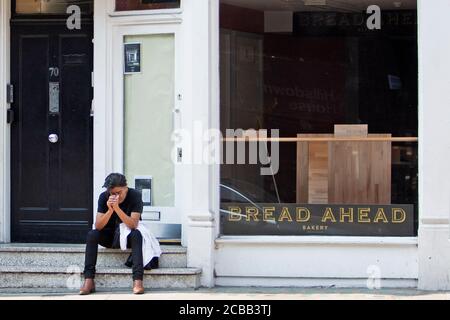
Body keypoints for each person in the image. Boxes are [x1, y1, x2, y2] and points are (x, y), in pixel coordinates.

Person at [79, 173, 145, 295]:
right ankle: (89, 280)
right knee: (92, 234)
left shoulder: (135, 196)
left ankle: (138, 280)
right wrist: (110, 210)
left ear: (126, 187)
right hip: (109, 236)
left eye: (118, 193)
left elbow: (133, 224)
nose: (115, 196)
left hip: (127, 236)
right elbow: (98, 225)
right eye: (112, 193)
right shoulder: (104, 197)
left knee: (137, 234)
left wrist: (118, 209)